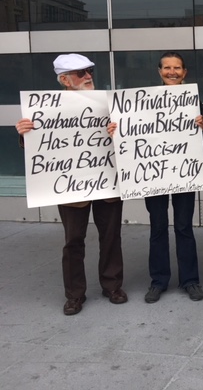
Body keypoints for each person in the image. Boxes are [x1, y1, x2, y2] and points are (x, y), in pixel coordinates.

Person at [15, 53, 127, 316]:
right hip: (71, 187)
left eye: (89, 71)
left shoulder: (108, 103)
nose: (88, 77)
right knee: (73, 240)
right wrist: (24, 133)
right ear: (64, 80)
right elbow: (39, 146)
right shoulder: (45, 109)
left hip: (106, 180)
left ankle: (112, 286)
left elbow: (130, 135)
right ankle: (75, 294)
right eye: (81, 73)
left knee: (111, 236)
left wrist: (119, 130)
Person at [108, 52, 203, 303]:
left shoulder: (195, 103)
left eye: (177, 68)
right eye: (167, 68)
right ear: (159, 71)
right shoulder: (142, 102)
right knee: (158, 227)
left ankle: (190, 280)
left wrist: (202, 130)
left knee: (184, 227)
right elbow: (131, 136)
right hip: (153, 175)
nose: (172, 72)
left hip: (184, 173)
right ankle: (158, 281)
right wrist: (117, 131)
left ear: (184, 72)